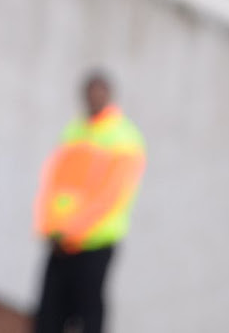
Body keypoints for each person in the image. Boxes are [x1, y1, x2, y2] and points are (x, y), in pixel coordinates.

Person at [33, 72, 145, 333]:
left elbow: (111, 197)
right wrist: (51, 228)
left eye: (99, 92)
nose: (93, 98)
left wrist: (73, 231)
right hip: (60, 240)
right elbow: (55, 184)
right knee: (48, 316)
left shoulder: (124, 137)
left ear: (109, 94)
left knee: (88, 316)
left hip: (95, 242)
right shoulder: (75, 130)